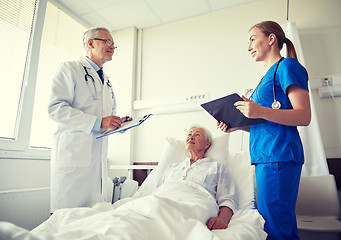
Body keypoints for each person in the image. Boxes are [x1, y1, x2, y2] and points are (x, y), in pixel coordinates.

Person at [218, 21, 311, 239]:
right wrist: (237, 125)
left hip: (279, 155)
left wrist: (259, 110)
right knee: (274, 223)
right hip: (266, 156)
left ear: (271, 39)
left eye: (252, 39)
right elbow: (266, 123)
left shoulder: (287, 66)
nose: (248, 46)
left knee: (277, 227)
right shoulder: (264, 80)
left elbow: (304, 116)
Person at [48, 27, 131, 214]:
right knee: (66, 219)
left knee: (92, 220)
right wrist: (100, 122)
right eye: (107, 42)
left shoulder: (107, 81)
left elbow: (109, 117)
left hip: (97, 161)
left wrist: (119, 123)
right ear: (91, 43)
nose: (112, 47)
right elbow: (56, 108)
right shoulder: (70, 69)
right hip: (74, 157)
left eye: (113, 44)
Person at [135, 126, 237, 230]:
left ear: (207, 144)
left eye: (197, 134)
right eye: (189, 134)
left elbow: (227, 199)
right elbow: (154, 191)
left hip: (195, 203)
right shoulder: (173, 167)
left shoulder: (217, 167)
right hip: (161, 199)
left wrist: (222, 220)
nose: (191, 137)